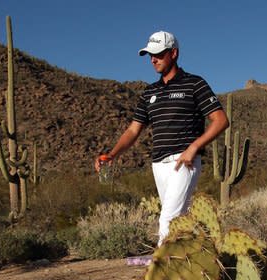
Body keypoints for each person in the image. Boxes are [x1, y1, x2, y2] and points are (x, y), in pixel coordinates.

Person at [95, 30, 229, 247]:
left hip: (183, 161)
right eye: (150, 55)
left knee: (167, 218)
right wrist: (112, 155)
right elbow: (132, 131)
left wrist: (194, 147)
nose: (153, 59)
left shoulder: (194, 84)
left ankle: (160, 271)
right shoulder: (149, 92)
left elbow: (221, 120)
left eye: (158, 54)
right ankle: (189, 266)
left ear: (174, 53)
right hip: (158, 164)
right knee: (179, 220)